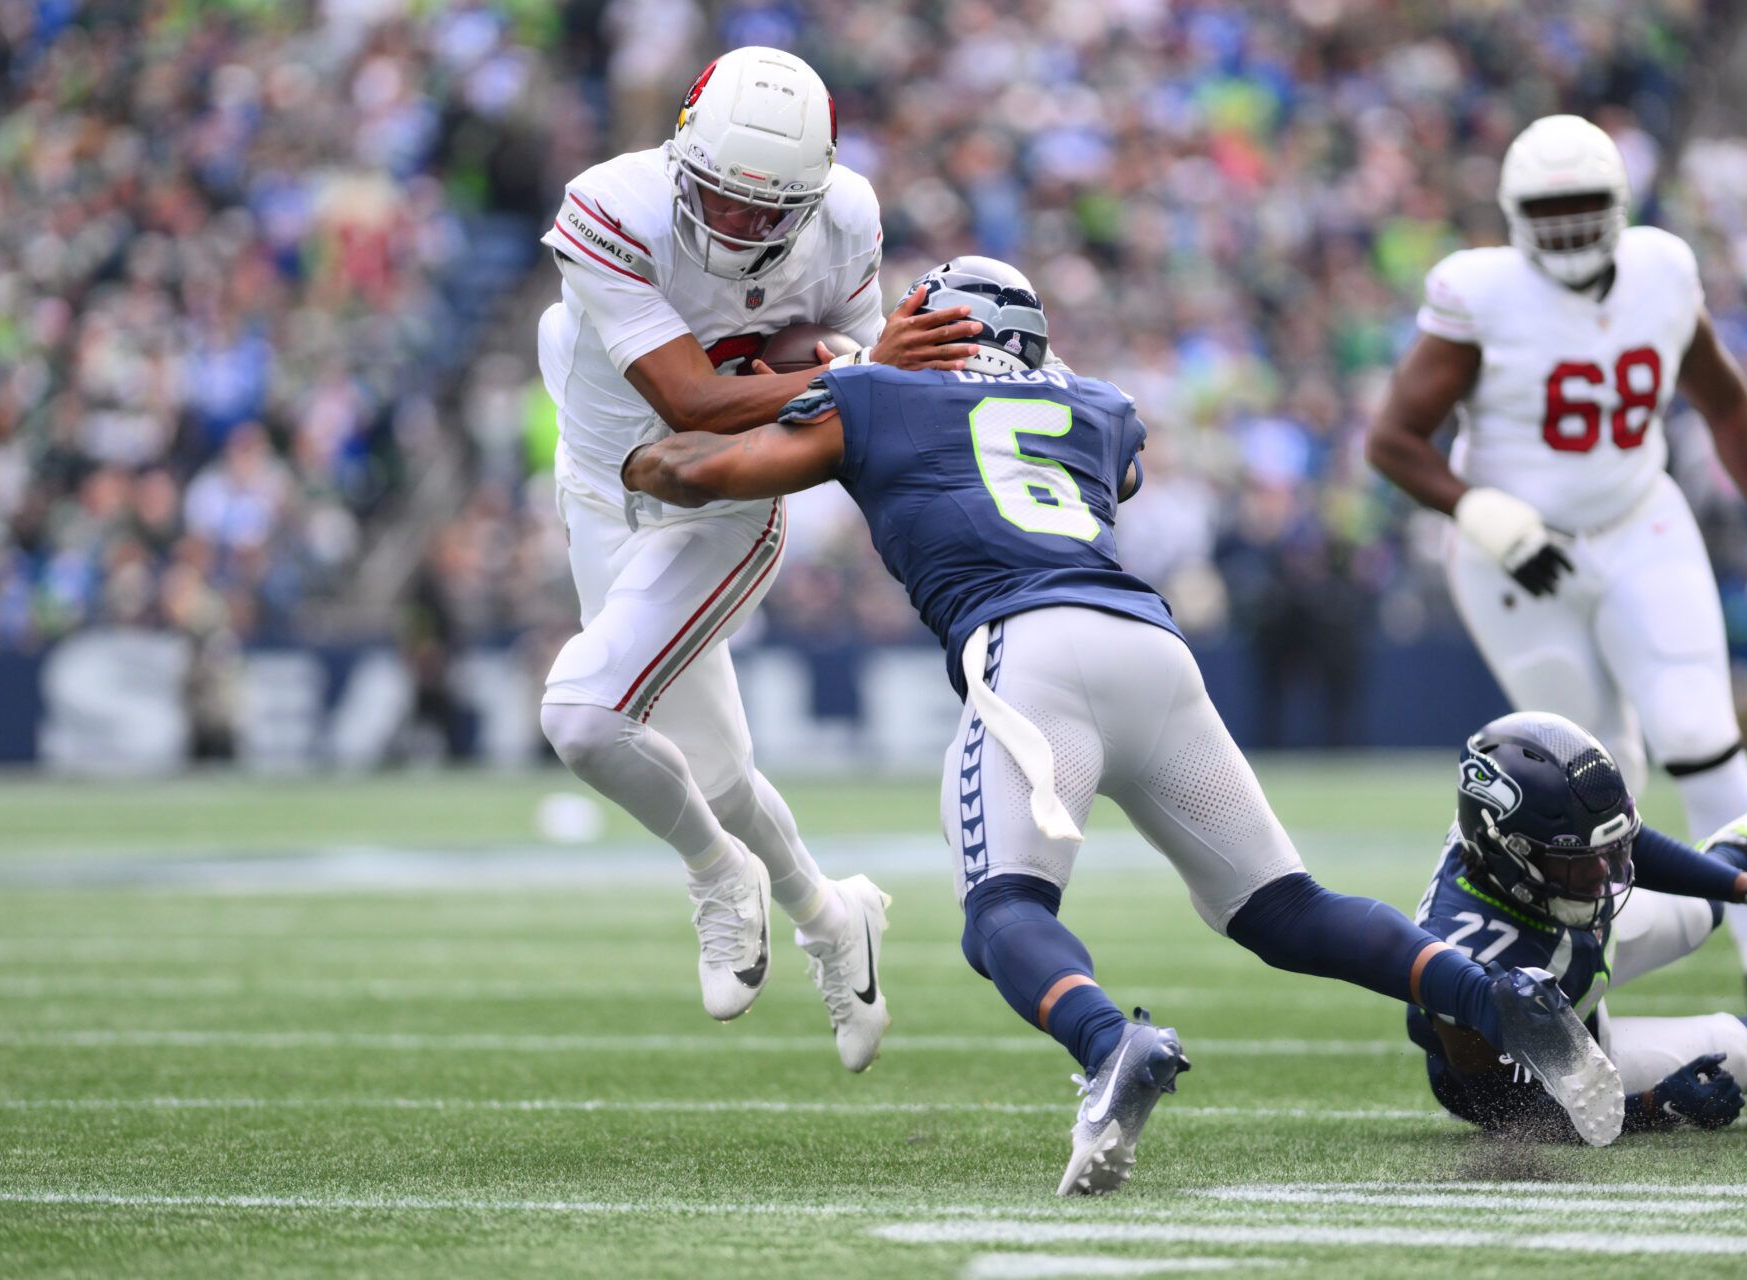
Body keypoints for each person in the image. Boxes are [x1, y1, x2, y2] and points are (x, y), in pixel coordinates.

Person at [622, 256, 1630, 1194]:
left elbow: (707, 470)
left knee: (1004, 912)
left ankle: (1111, 1041)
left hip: (1028, 651)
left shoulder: (879, 390)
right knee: (1284, 905)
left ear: (930, 327)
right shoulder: (1099, 408)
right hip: (1148, 645)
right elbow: (1116, 468)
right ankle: (1495, 995)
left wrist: (643, 464)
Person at [533, 45, 983, 1072]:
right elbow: (689, 396)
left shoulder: (847, 219)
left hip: (728, 499)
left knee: (582, 717)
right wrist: (857, 369)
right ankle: (834, 920)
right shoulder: (615, 206)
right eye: (722, 200)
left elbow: (849, 407)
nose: (737, 226)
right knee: (722, 774)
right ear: (681, 155)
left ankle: (716, 876)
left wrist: (853, 377)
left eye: (763, 210)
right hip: (606, 487)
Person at [1367, 114, 1747, 1019]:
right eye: (1550, 209)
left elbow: (1725, 402)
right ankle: (1581, 992)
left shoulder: (1661, 268)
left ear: (1619, 205)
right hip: (1518, 556)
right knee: (1584, 784)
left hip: (1639, 517)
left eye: (1585, 207)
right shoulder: (1480, 292)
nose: (1570, 227)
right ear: (1513, 214)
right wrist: (1485, 512)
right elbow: (1393, 441)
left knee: (1702, 731)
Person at [1410, 711, 1747, 1137]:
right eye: (1578, 863)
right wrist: (1655, 1106)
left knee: (1700, 910)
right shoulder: (1465, 962)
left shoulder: (1512, 842)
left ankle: (1742, 852)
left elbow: (1619, 842)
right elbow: (1512, 1112)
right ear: (1508, 854)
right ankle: (1736, 853)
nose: (1603, 875)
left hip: (1557, 924)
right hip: (1550, 1058)